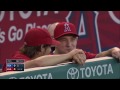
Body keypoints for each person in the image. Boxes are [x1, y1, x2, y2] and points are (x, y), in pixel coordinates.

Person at [2, 28, 86, 72]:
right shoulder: (11, 64)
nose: (51, 51)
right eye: (50, 47)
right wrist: (69, 55)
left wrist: (75, 56)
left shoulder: (46, 57)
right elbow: (37, 63)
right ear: (42, 48)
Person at [52, 22, 120, 64]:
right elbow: (41, 63)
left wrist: (112, 50)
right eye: (64, 40)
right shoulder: (48, 57)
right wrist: (69, 56)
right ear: (54, 42)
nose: (69, 44)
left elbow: (97, 56)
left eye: (72, 40)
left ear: (77, 40)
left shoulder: (79, 54)